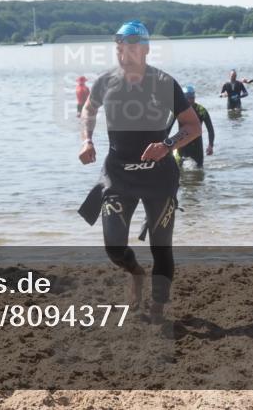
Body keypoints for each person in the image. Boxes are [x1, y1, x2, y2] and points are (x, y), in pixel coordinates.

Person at [78, 20, 201, 322]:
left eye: (132, 46)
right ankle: (135, 273)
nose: (125, 52)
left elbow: (192, 125)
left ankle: (158, 307)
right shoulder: (105, 81)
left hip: (159, 177)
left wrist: (167, 145)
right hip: (119, 176)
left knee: (162, 248)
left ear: (145, 49)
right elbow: (88, 110)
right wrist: (87, 139)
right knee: (113, 246)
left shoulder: (164, 82)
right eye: (120, 46)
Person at [175, 85, 214, 168]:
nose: (190, 100)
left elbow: (210, 129)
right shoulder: (178, 109)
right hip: (182, 143)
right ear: (183, 98)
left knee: (199, 170)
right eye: (187, 98)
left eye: (192, 97)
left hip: (197, 146)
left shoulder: (201, 110)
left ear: (194, 97)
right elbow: (168, 125)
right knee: (179, 170)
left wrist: (210, 145)